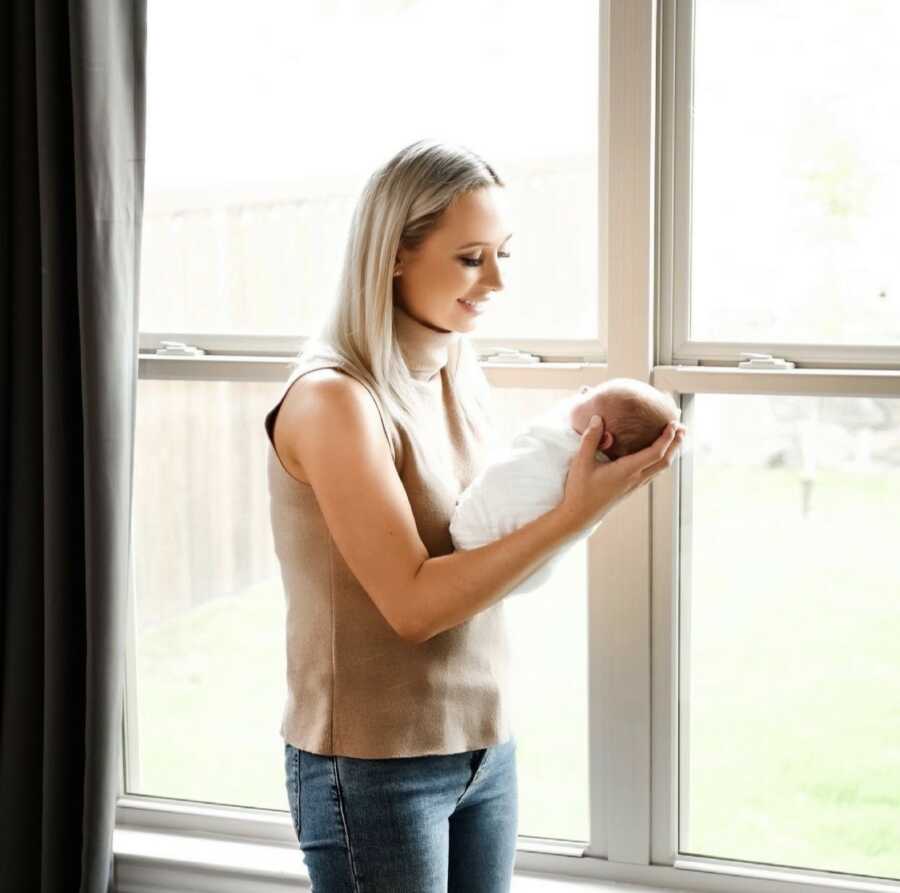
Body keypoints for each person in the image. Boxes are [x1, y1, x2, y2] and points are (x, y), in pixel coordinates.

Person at [263, 139, 686, 893]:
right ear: (394, 254)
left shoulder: (455, 369)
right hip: (373, 766)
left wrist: (586, 486)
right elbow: (414, 606)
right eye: (469, 258)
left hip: (485, 744)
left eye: (504, 254)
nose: (495, 280)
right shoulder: (334, 400)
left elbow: (487, 535)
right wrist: (577, 512)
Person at [450, 379, 682, 596]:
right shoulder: (597, 481)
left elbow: (535, 433)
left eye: (589, 399)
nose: (582, 392)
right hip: (512, 573)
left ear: (602, 439)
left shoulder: (566, 453)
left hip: (478, 540)